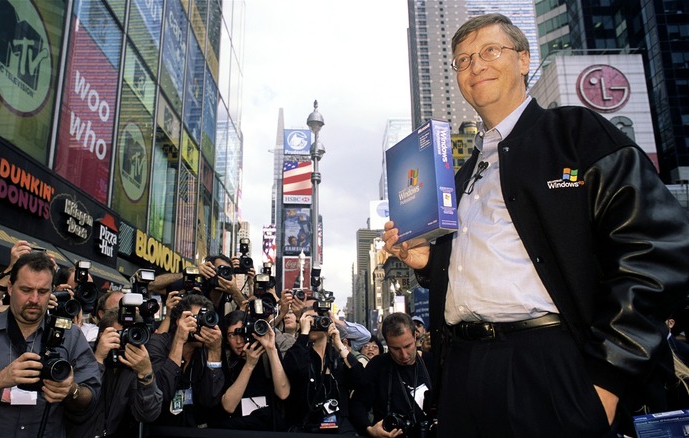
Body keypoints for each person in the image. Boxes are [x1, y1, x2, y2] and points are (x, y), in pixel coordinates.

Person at [382, 13, 689, 437]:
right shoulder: (457, 175)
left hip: (551, 364)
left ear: (524, 60)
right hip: (464, 371)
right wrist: (427, 264)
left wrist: (609, 378)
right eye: (463, 60)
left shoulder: (578, 133)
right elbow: (481, 269)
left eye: (490, 51)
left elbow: (657, 249)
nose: (476, 66)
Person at [0, 251, 101, 436]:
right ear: (9, 287)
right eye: (25, 290)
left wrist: (71, 390)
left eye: (42, 291)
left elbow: (91, 398)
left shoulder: (71, 336)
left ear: (52, 290)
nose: (34, 299)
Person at [66, 308, 162, 437]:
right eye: (118, 334)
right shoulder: (83, 353)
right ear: (101, 335)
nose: (123, 341)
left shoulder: (137, 365)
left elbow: (147, 415)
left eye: (129, 335)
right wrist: (98, 360)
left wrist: (145, 374)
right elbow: (77, 405)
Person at [283, 305, 365, 434]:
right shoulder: (300, 354)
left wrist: (338, 343)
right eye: (309, 320)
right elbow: (292, 367)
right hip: (306, 425)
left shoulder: (337, 357)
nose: (314, 323)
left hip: (338, 425)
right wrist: (304, 333)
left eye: (318, 319)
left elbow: (360, 379)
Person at [146, 294, 224, 428]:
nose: (201, 325)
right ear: (178, 321)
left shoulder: (204, 351)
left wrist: (215, 351)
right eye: (195, 319)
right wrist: (179, 341)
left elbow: (210, 400)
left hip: (192, 429)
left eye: (204, 319)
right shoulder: (157, 343)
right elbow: (162, 392)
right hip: (158, 428)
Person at [350, 313, 433, 438]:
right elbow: (357, 404)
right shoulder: (378, 365)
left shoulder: (431, 363)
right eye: (395, 349)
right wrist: (370, 429)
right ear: (387, 344)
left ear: (415, 336)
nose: (404, 355)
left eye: (407, 346)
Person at [214, 309, 290, 430]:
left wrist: (271, 349)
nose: (238, 341)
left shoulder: (266, 354)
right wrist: (249, 365)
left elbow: (283, 393)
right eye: (232, 335)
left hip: (268, 427)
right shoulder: (226, 358)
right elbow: (228, 406)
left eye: (242, 333)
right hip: (238, 428)